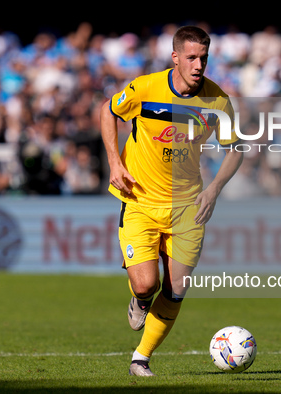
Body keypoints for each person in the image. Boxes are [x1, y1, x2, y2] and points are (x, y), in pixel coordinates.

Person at [100, 25, 243, 377]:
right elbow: (109, 110)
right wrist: (115, 163)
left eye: (204, 58)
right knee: (146, 284)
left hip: (188, 206)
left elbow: (235, 150)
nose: (198, 65)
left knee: (178, 286)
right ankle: (141, 299)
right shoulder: (145, 88)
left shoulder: (218, 100)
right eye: (192, 57)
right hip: (140, 200)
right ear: (175, 57)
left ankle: (141, 358)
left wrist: (214, 189)